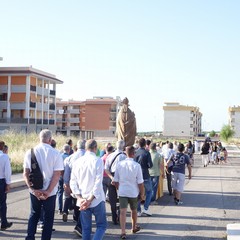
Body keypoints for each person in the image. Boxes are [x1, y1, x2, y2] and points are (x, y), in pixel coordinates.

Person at [23, 129, 64, 240]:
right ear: (50, 139)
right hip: (50, 192)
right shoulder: (56, 153)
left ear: (39, 138)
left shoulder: (30, 152)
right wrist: (48, 191)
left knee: (34, 214)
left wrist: (32, 190)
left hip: (35, 190)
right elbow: (57, 175)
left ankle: (30, 237)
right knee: (48, 218)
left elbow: (25, 174)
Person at [70, 139, 107, 240]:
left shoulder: (77, 162)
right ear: (95, 148)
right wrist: (90, 199)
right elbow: (98, 182)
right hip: (96, 199)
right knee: (101, 225)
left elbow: (73, 183)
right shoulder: (98, 160)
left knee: (86, 229)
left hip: (82, 200)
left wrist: (80, 198)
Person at [113, 146, 144, 239]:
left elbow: (115, 181)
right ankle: (133, 227)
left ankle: (123, 231)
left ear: (125, 153)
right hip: (133, 191)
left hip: (122, 191)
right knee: (134, 210)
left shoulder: (119, 164)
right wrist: (142, 194)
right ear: (133, 154)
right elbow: (140, 182)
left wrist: (119, 188)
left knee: (123, 211)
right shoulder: (137, 165)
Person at [63, 139, 86, 237]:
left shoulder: (70, 157)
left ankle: (77, 220)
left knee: (76, 200)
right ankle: (80, 225)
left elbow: (66, 173)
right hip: (85, 183)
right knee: (84, 204)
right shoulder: (89, 157)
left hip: (74, 183)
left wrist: (66, 184)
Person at [105, 140, 126, 225]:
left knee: (112, 198)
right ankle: (120, 216)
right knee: (122, 198)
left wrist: (112, 177)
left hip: (111, 177)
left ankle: (114, 217)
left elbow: (106, 169)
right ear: (123, 146)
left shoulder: (110, 156)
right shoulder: (124, 156)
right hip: (122, 177)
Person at [134, 138, 153, 216]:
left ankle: (138, 210)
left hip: (137, 175)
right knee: (149, 192)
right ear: (145, 144)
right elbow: (150, 165)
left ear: (138, 144)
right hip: (145, 174)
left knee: (138, 193)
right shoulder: (147, 153)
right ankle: (145, 208)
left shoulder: (135, 153)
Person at [0, 141, 12, 230]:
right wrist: (8, 184)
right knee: (2, 203)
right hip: (1, 181)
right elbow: (7, 172)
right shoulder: (4, 157)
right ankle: (3, 222)